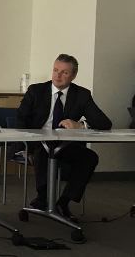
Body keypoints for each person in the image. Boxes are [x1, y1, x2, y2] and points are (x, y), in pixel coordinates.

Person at [17, 54, 111, 221]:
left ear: (73, 75)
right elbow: (20, 119)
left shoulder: (81, 94)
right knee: (43, 152)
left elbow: (104, 123)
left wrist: (81, 125)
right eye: (55, 70)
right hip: (37, 143)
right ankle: (43, 198)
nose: (57, 76)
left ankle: (64, 201)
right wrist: (28, 144)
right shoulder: (36, 91)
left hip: (65, 145)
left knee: (89, 157)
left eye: (64, 73)